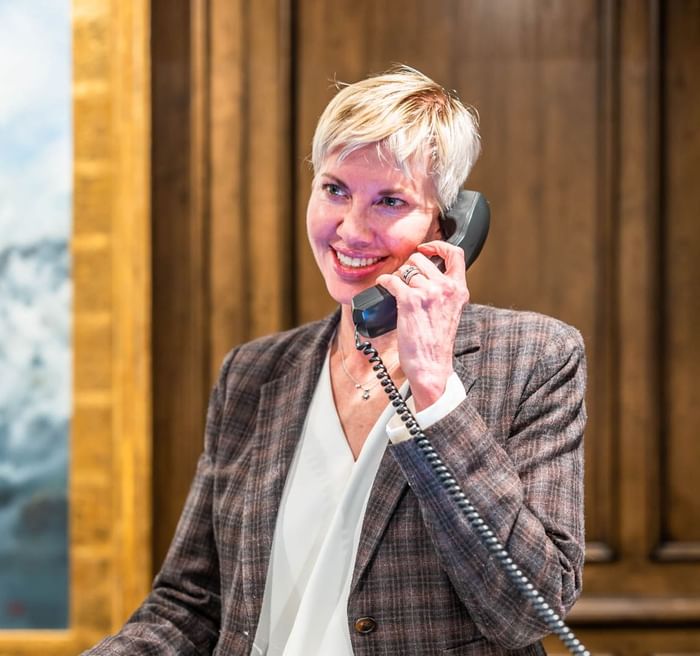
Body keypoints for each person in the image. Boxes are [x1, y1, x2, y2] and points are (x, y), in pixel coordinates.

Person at [84, 65, 586, 656]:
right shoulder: (253, 373)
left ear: (446, 229)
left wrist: (435, 389)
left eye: (390, 201)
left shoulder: (535, 359)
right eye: (335, 189)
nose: (350, 229)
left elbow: (532, 608)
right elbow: (191, 605)